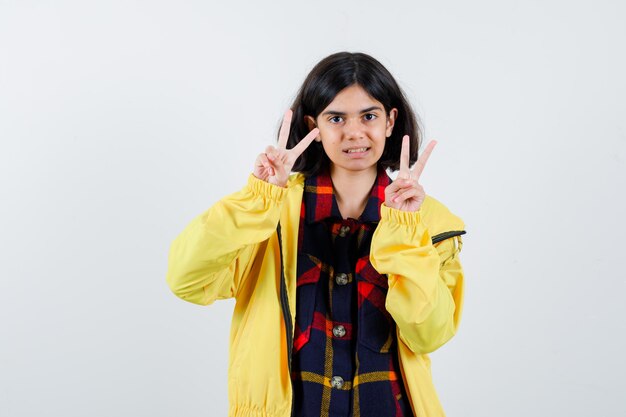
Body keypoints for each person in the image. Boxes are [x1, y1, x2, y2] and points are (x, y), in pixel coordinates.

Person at [166, 51, 467, 417]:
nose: (354, 132)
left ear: (390, 122)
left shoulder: (430, 223)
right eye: (336, 118)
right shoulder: (270, 211)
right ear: (314, 125)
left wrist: (405, 232)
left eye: (369, 116)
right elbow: (186, 279)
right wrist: (258, 199)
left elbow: (429, 333)